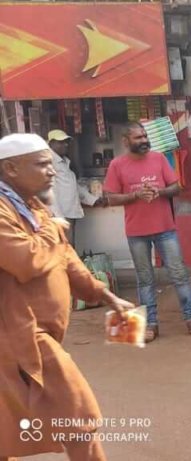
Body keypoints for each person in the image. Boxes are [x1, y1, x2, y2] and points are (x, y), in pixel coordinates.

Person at [0, 133, 134, 461]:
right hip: (20, 333)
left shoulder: (32, 205)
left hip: (30, 333)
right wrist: (55, 229)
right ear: (12, 169)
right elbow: (26, 260)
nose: (51, 171)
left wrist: (104, 295)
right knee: (79, 415)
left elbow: (66, 258)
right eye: (42, 164)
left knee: (7, 423)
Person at [103, 122, 191, 343]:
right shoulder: (117, 165)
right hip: (136, 232)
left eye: (144, 136)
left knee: (179, 275)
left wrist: (159, 192)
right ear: (125, 141)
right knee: (145, 280)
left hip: (165, 229)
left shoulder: (159, 158)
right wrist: (136, 196)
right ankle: (150, 325)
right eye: (138, 137)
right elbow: (110, 197)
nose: (143, 141)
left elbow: (176, 187)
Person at [46, 129, 104, 246]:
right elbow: (49, 191)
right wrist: (58, 217)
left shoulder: (63, 162)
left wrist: (92, 200)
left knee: (69, 247)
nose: (65, 145)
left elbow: (73, 186)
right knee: (65, 248)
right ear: (51, 143)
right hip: (61, 214)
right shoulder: (50, 163)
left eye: (66, 142)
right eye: (61, 142)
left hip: (68, 212)